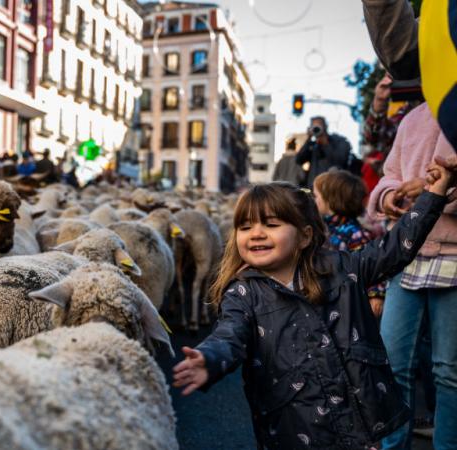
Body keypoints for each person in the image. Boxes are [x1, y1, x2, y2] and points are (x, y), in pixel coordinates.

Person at [172, 158, 456, 448]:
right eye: (245, 227)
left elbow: (394, 249)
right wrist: (209, 358)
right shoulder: (243, 294)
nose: (256, 233)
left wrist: (432, 196)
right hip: (295, 431)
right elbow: (229, 335)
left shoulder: (343, 269)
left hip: (361, 423)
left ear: (305, 236)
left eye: (271, 224)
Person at [367, 103, 457, 450]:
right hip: (406, 251)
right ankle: (393, 445)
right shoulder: (412, 118)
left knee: (448, 370)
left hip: (452, 253)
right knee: (391, 363)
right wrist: (389, 195)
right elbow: (390, 173)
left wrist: (438, 190)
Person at [313, 170, 385, 318]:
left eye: (316, 196)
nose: (314, 200)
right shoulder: (323, 228)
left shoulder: (355, 234)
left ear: (331, 200)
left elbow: (371, 265)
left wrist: (375, 293)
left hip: (348, 299)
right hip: (327, 295)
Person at [294, 117, 354, 187]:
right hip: (314, 186)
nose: (317, 129)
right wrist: (308, 139)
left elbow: (340, 160)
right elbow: (299, 160)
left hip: (332, 186)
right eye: (314, 127)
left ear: (325, 127)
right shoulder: (313, 145)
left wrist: (325, 143)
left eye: (319, 125)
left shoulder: (338, 141)